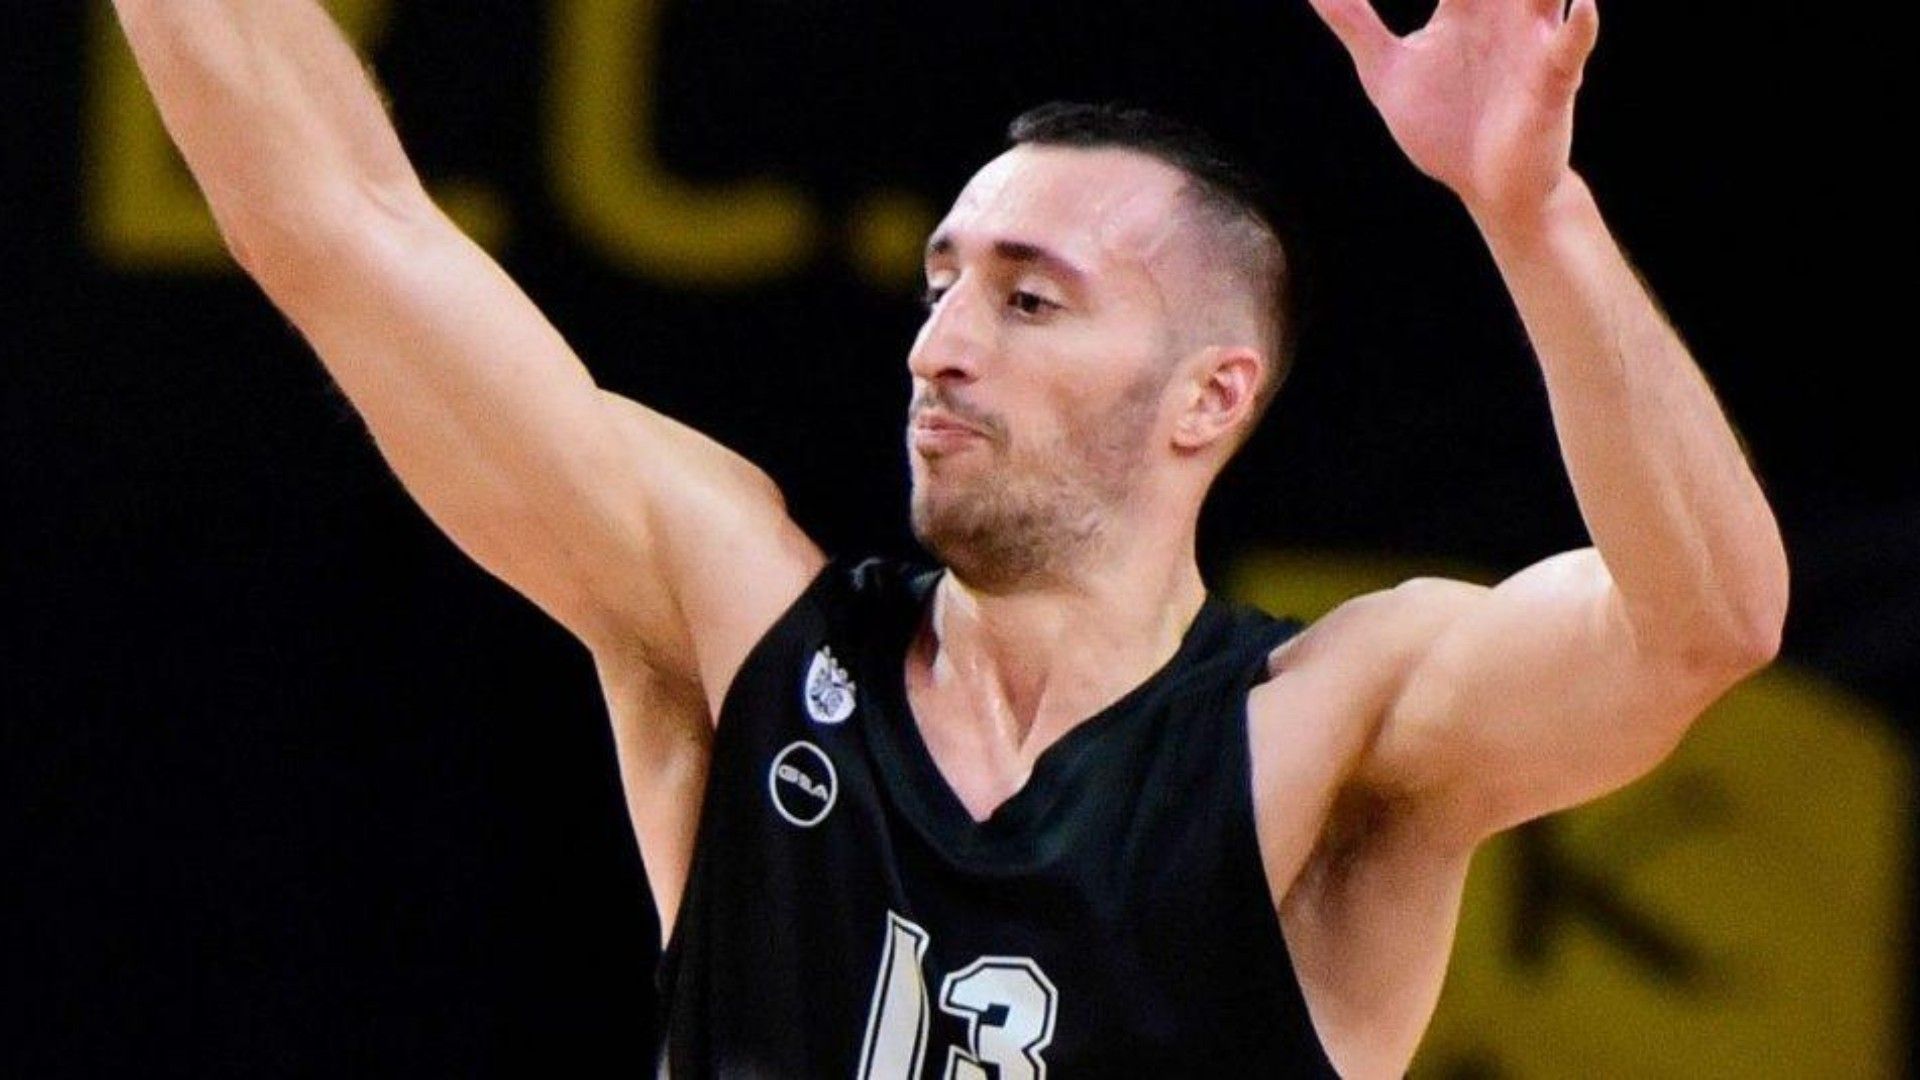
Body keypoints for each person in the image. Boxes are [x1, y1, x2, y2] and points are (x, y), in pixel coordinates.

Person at [111, 0, 1787, 1075]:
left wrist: (1532, 215)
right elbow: (342, 225)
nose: (940, 345)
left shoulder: (1321, 731)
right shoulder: (738, 622)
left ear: (1209, 396)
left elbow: (1702, 627)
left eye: (1029, 299)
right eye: (942, 283)